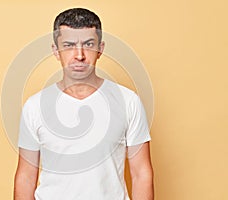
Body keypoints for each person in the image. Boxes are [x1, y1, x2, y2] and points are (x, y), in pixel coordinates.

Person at [14, 8, 154, 200]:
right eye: (69, 45)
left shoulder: (128, 101)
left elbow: (141, 174)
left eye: (88, 44)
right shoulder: (35, 106)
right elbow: (25, 178)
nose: (79, 55)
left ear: (100, 49)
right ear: (56, 50)